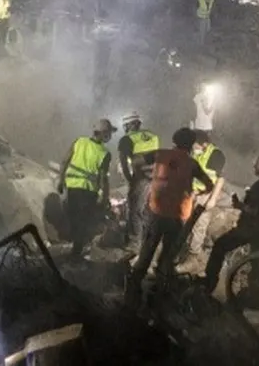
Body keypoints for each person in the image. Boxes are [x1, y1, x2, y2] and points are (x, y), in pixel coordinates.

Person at [129, 128, 214, 289]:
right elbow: (209, 185)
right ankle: (160, 288)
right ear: (191, 144)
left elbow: (136, 162)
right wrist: (197, 192)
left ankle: (134, 287)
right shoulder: (192, 163)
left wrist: (146, 177)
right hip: (178, 215)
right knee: (168, 253)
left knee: (147, 250)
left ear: (175, 141)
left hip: (156, 211)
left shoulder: (160, 154)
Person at [202, 154, 259, 295]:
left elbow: (253, 211)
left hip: (248, 228)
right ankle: (256, 296)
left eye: (257, 163)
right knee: (257, 264)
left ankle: (208, 285)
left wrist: (239, 205)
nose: (254, 166)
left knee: (220, 246)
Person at [57, 119, 116, 258]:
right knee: (84, 220)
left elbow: (65, 161)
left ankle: (75, 245)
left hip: (72, 187)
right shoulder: (104, 153)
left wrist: (61, 180)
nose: (109, 136)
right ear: (103, 133)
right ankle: (78, 250)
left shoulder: (79, 141)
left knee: (74, 216)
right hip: (89, 191)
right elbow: (103, 178)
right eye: (108, 133)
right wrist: (105, 197)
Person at [117, 111, 160, 247]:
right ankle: (149, 238)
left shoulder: (126, 140)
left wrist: (130, 180)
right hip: (157, 177)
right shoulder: (152, 135)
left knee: (135, 209)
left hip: (141, 178)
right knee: (149, 209)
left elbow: (124, 164)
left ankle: (135, 242)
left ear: (129, 125)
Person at [183, 131, 227, 263]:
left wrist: (212, 199)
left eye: (195, 146)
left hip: (206, 194)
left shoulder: (216, 155)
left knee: (199, 225)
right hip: (193, 192)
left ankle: (193, 257)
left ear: (205, 144)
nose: (194, 148)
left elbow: (220, 179)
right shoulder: (196, 152)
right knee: (186, 221)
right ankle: (185, 248)